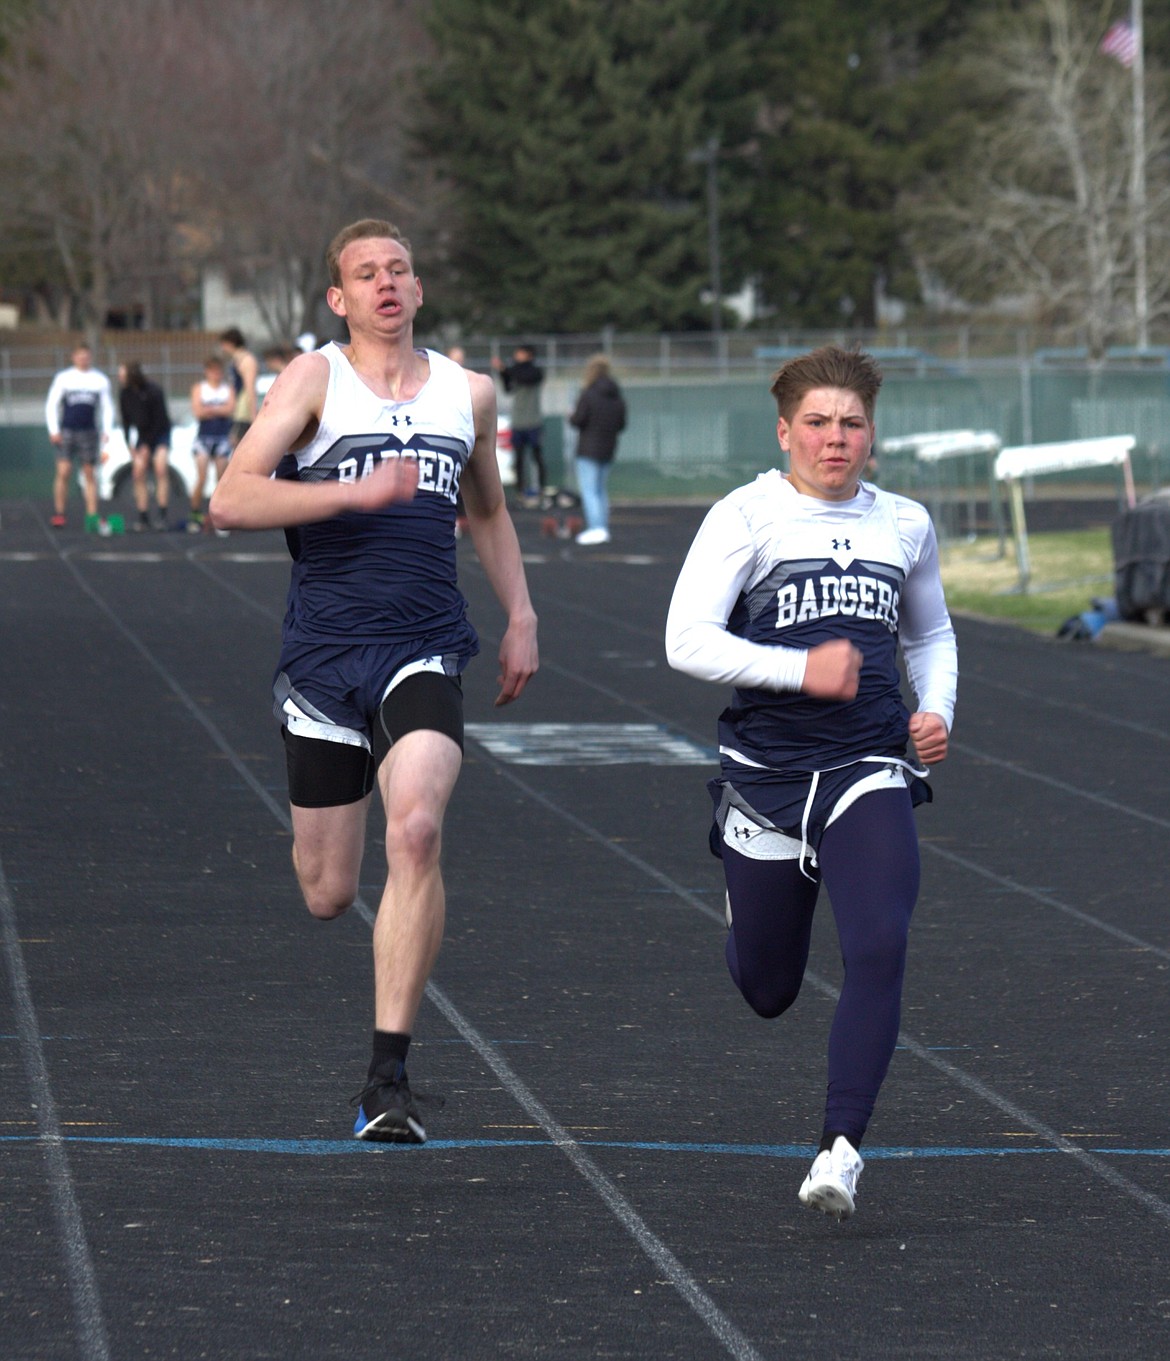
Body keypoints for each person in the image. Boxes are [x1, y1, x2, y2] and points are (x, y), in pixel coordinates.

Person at [210, 218, 539, 1144]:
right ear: (339, 299)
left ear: (419, 289)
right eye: (367, 273)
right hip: (323, 659)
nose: (387, 284)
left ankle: (385, 1078)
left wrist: (521, 614)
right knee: (326, 888)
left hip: (425, 645)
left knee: (420, 827)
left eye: (400, 269)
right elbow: (231, 498)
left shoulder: (467, 395)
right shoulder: (316, 380)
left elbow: (490, 511)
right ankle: (329, 858)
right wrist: (351, 491)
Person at [665, 345, 957, 1219]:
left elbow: (931, 633)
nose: (837, 439)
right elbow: (687, 639)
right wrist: (800, 671)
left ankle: (840, 1147)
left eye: (853, 423)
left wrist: (936, 708)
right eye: (819, 424)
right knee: (768, 988)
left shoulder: (904, 523)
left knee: (880, 941)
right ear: (786, 430)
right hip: (766, 777)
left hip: (869, 765)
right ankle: (744, 889)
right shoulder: (745, 516)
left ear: (873, 432)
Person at [45, 342, 114, 530]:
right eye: (79, 355)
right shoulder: (64, 378)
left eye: (86, 355)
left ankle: (92, 515)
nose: (83, 359)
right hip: (67, 430)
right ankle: (59, 513)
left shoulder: (99, 380)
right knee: (63, 471)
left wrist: (107, 431)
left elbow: (107, 408)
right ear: (73, 357)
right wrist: (54, 430)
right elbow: (52, 404)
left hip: (89, 432)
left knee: (90, 474)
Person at [569, 354, 626, 546]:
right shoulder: (617, 395)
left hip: (588, 448)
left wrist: (572, 415)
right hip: (608, 448)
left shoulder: (588, 394)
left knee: (589, 491)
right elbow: (621, 424)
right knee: (600, 490)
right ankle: (602, 527)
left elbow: (578, 420)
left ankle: (596, 528)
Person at [118, 361, 173, 531]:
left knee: (160, 469)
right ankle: (143, 516)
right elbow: (126, 420)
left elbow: (160, 420)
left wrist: (147, 447)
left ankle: (162, 515)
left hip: (160, 433)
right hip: (143, 436)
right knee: (138, 472)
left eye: (122, 373)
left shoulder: (153, 391)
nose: (120, 377)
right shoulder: (125, 394)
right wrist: (129, 443)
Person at [493, 344, 546, 505]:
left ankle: (541, 489)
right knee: (519, 459)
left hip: (533, 421)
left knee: (537, 457)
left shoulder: (535, 372)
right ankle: (520, 492)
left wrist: (506, 369)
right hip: (518, 422)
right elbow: (508, 388)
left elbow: (526, 376)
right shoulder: (515, 372)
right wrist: (503, 372)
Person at [188, 356, 236, 533]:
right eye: (213, 371)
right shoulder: (200, 388)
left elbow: (230, 409)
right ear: (207, 372)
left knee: (221, 479)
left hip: (222, 438)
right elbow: (198, 412)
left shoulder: (227, 389)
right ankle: (195, 515)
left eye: (219, 371)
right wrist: (218, 410)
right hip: (204, 438)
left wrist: (210, 409)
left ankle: (220, 517)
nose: (216, 375)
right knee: (201, 478)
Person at [218, 326, 259, 450]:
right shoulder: (236, 360)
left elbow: (250, 388)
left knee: (239, 443)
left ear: (230, 343)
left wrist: (253, 416)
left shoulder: (247, 360)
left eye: (223, 344)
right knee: (235, 443)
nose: (222, 348)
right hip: (237, 409)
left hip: (244, 410)